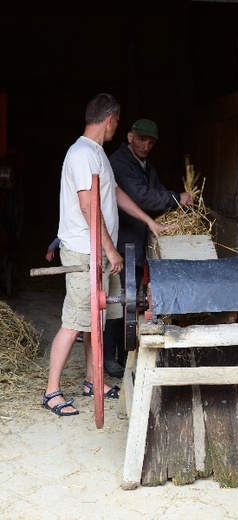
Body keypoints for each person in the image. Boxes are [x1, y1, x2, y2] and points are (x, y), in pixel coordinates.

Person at [42, 94, 169, 417]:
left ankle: (91, 381)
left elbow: (114, 194)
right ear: (111, 119)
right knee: (74, 322)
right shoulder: (82, 154)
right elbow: (89, 207)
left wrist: (148, 221)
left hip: (97, 250)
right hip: (85, 251)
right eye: (118, 122)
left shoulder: (96, 153)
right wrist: (110, 250)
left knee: (94, 322)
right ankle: (51, 391)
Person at [102, 118, 195, 377]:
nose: (145, 145)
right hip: (122, 242)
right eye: (141, 140)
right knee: (119, 300)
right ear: (130, 137)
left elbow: (156, 192)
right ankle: (110, 358)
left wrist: (173, 203)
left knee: (129, 302)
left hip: (138, 241)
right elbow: (142, 197)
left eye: (150, 142)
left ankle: (124, 355)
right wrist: (177, 198)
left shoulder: (146, 167)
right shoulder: (119, 164)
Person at [46, 237, 83, 342]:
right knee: (77, 298)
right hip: (75, 264)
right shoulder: (71, 232)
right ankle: (78, 331)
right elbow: (60, 238)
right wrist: (51, 249)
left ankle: (82, 331)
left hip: (84, 264)